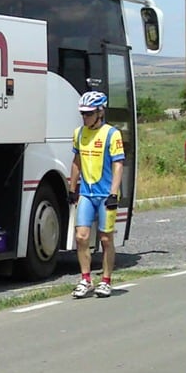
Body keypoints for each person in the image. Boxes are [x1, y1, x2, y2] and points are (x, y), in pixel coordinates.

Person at [66, 89, 124, 299]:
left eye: (89, 113)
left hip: (105, 194)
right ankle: (85, 279)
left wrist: (114, 193)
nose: (85, 117)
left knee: (106, 239)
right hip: (87, 195)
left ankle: (106, 281)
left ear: (100, 112)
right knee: (81, 237)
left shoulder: (111, 134)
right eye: (82, 113)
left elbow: (118, 165)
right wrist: (73, 188)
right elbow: (76, 162)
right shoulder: (79, 133)